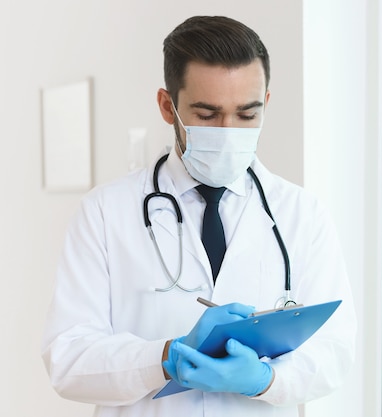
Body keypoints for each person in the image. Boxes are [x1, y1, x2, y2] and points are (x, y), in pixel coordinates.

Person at [41, 15, 356, 417]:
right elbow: (68, 358)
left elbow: (335, 351)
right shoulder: (105, 212)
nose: (228, 131)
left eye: (246, 115)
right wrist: (166, 355)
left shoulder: (302, 214)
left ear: (266, 104)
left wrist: (266, 380)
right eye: (207, 115)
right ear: (167, 106)